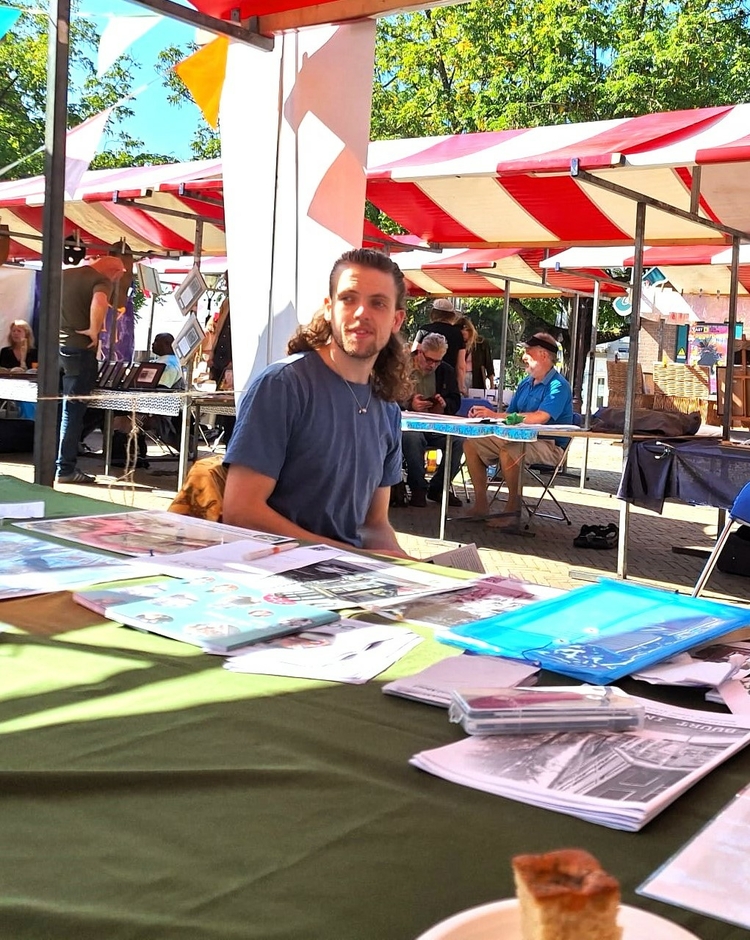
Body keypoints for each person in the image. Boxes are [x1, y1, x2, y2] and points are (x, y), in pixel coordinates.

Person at [222, 248, 413, 552]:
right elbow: (241, 512)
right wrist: (349, 555)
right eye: (348, 298)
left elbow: (374, 525)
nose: (361, 312)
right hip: (271, 577)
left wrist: (417, 573)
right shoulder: (283, 386)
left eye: (377, 303)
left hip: (349, 578)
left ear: (396, 320)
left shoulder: (387, 410)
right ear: (329, 308)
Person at [463, 332, 574, 528]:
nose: (524, 356)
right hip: (518, 437)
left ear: (543, 354)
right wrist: (488, 417)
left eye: (528, 352)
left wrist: (497, 416)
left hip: (549, 444)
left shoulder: (559, 386)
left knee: (512, 451)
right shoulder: (525, 383)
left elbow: (540, 417)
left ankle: (512, 511)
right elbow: (511, 414)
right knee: (470, 444)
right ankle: (481, 505)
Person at [56, 255, 126, 485]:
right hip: (80, 350)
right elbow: (99, 301)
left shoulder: (65, 275)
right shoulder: (100, 280)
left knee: (57, 408)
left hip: (56, 350)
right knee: (72, 411)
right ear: (114, 272)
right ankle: (65, 469)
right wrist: (95, 330)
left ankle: (53, 462)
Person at [401, 332, 463, 508]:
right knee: (412, 438)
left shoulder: (446, 370)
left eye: (437, 361)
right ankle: (418, 488)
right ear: (420, 351)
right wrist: (410, 403)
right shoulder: (401, 367)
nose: (432, 365)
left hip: (435, 424)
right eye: (429, 359)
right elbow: (387, 397)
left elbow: (455, 399)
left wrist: (444, 404)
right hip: (407, 424)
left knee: (458, 440)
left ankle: (438, 488)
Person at [413, 298, 466, 391]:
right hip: (447, 379)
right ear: (452, 316)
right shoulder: (457, 333)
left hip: (424, 379)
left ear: (433, 313)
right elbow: (461, 365)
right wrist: (461, 386)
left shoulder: (424, 330)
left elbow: (414, 354)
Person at [456, 315, 494, 393]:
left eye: (463, 334)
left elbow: (489, 364)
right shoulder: (457, 343)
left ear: (470, 331)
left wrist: (492, 385)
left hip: (476, 377)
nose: (462, 338)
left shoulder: (481, 343)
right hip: (460, 376)